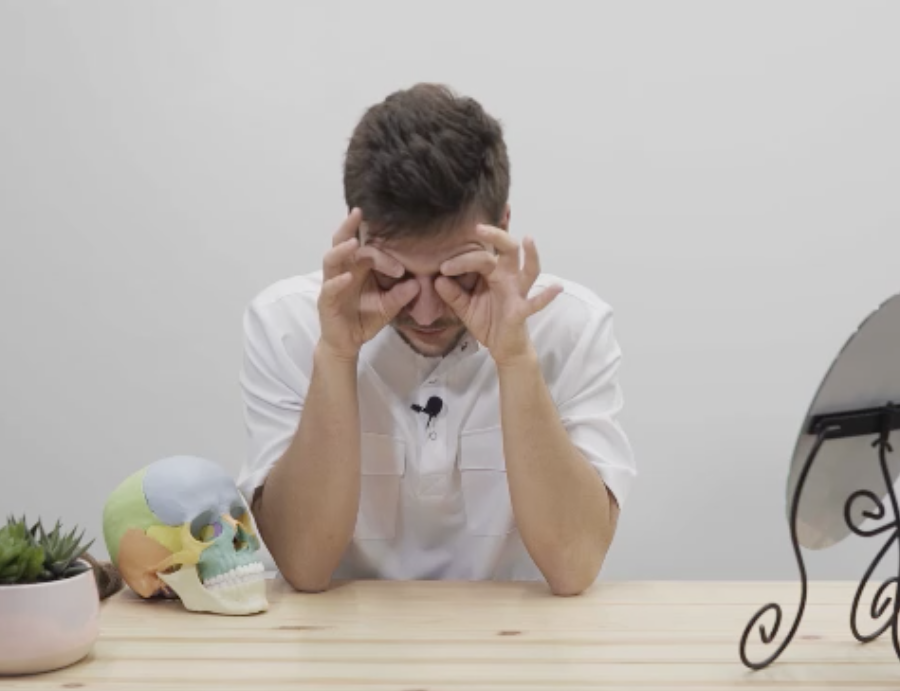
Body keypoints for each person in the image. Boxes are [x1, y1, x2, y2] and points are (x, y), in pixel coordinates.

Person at [236, 83, 636, 596]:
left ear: (502, 226)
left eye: (457, 274)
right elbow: (304, 565)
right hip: (341, 638)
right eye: (395, 275)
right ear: (357, 239)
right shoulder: (287, 324)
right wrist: (336, 354)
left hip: (523, 637)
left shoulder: (571, 326)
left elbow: (574, 564)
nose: (425, 311)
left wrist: (515, 357)